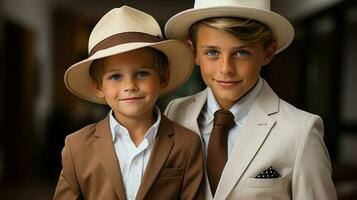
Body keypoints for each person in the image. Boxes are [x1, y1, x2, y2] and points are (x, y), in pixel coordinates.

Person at [164, 0, 337, 199]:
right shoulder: (175, 113)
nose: (226, 68)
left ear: (268, 53)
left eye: (241, 52)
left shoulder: (300, 131)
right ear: (193, 51)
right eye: (212, 52)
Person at [53, 6, 204, 200]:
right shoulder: (77, 146)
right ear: (98, 87)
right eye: (115, 76)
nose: (130, 85)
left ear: (163, 78)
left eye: (142, 73)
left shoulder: (187, 144)